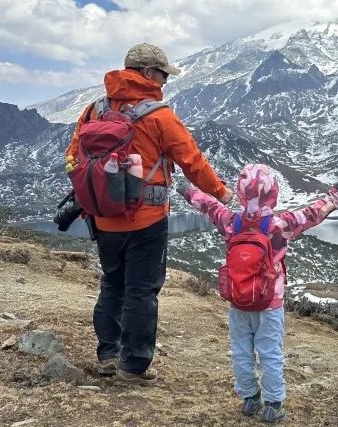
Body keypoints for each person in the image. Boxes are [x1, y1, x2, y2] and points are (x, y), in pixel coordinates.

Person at [66, 43, 233, 385]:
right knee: (141, 291)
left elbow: (73, 159)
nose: (165, 81)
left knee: (112, 283)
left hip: (103, 219)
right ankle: (133, 367)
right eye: (162, 74)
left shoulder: (92, 111)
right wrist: (221, 192)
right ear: (146, 73)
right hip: (147, 219)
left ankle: (108, 355)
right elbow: (192, 161)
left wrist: (96, 196)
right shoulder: (159, 115)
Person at [176, 164, 338, 424]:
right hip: (269, 303)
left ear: (242, 194)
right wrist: (335, 194)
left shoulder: (231, 220)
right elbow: (314, 213)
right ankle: (273, 405)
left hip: (238, 301)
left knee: (241, 350)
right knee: (270, 352)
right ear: (274, 192)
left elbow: (208, 205)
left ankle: (249, 399)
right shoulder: (280, 224)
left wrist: (187, 191)